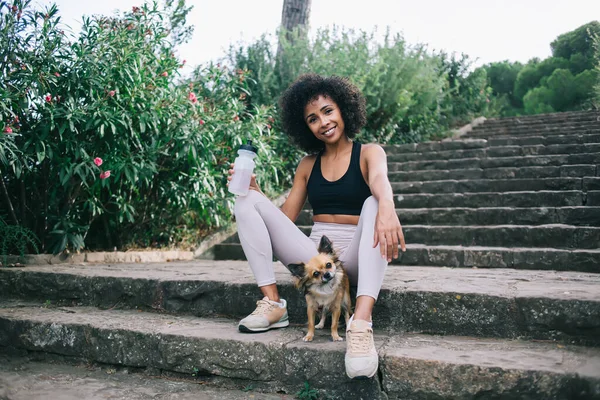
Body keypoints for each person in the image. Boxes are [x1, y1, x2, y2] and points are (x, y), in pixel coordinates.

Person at [227, 73, 406, 379]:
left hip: (355, 256)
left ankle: (361, 324)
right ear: (306, 127)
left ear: (343, 110)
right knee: (244, 199)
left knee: (374, 202)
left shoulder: (369, 153)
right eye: (312, 118)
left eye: (328, 111)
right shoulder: (308, 165)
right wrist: (256, 194)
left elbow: (379, 182)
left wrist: (387, 207)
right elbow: (285, 219)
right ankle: (272, 303)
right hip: (316, 259)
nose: (323, 122)